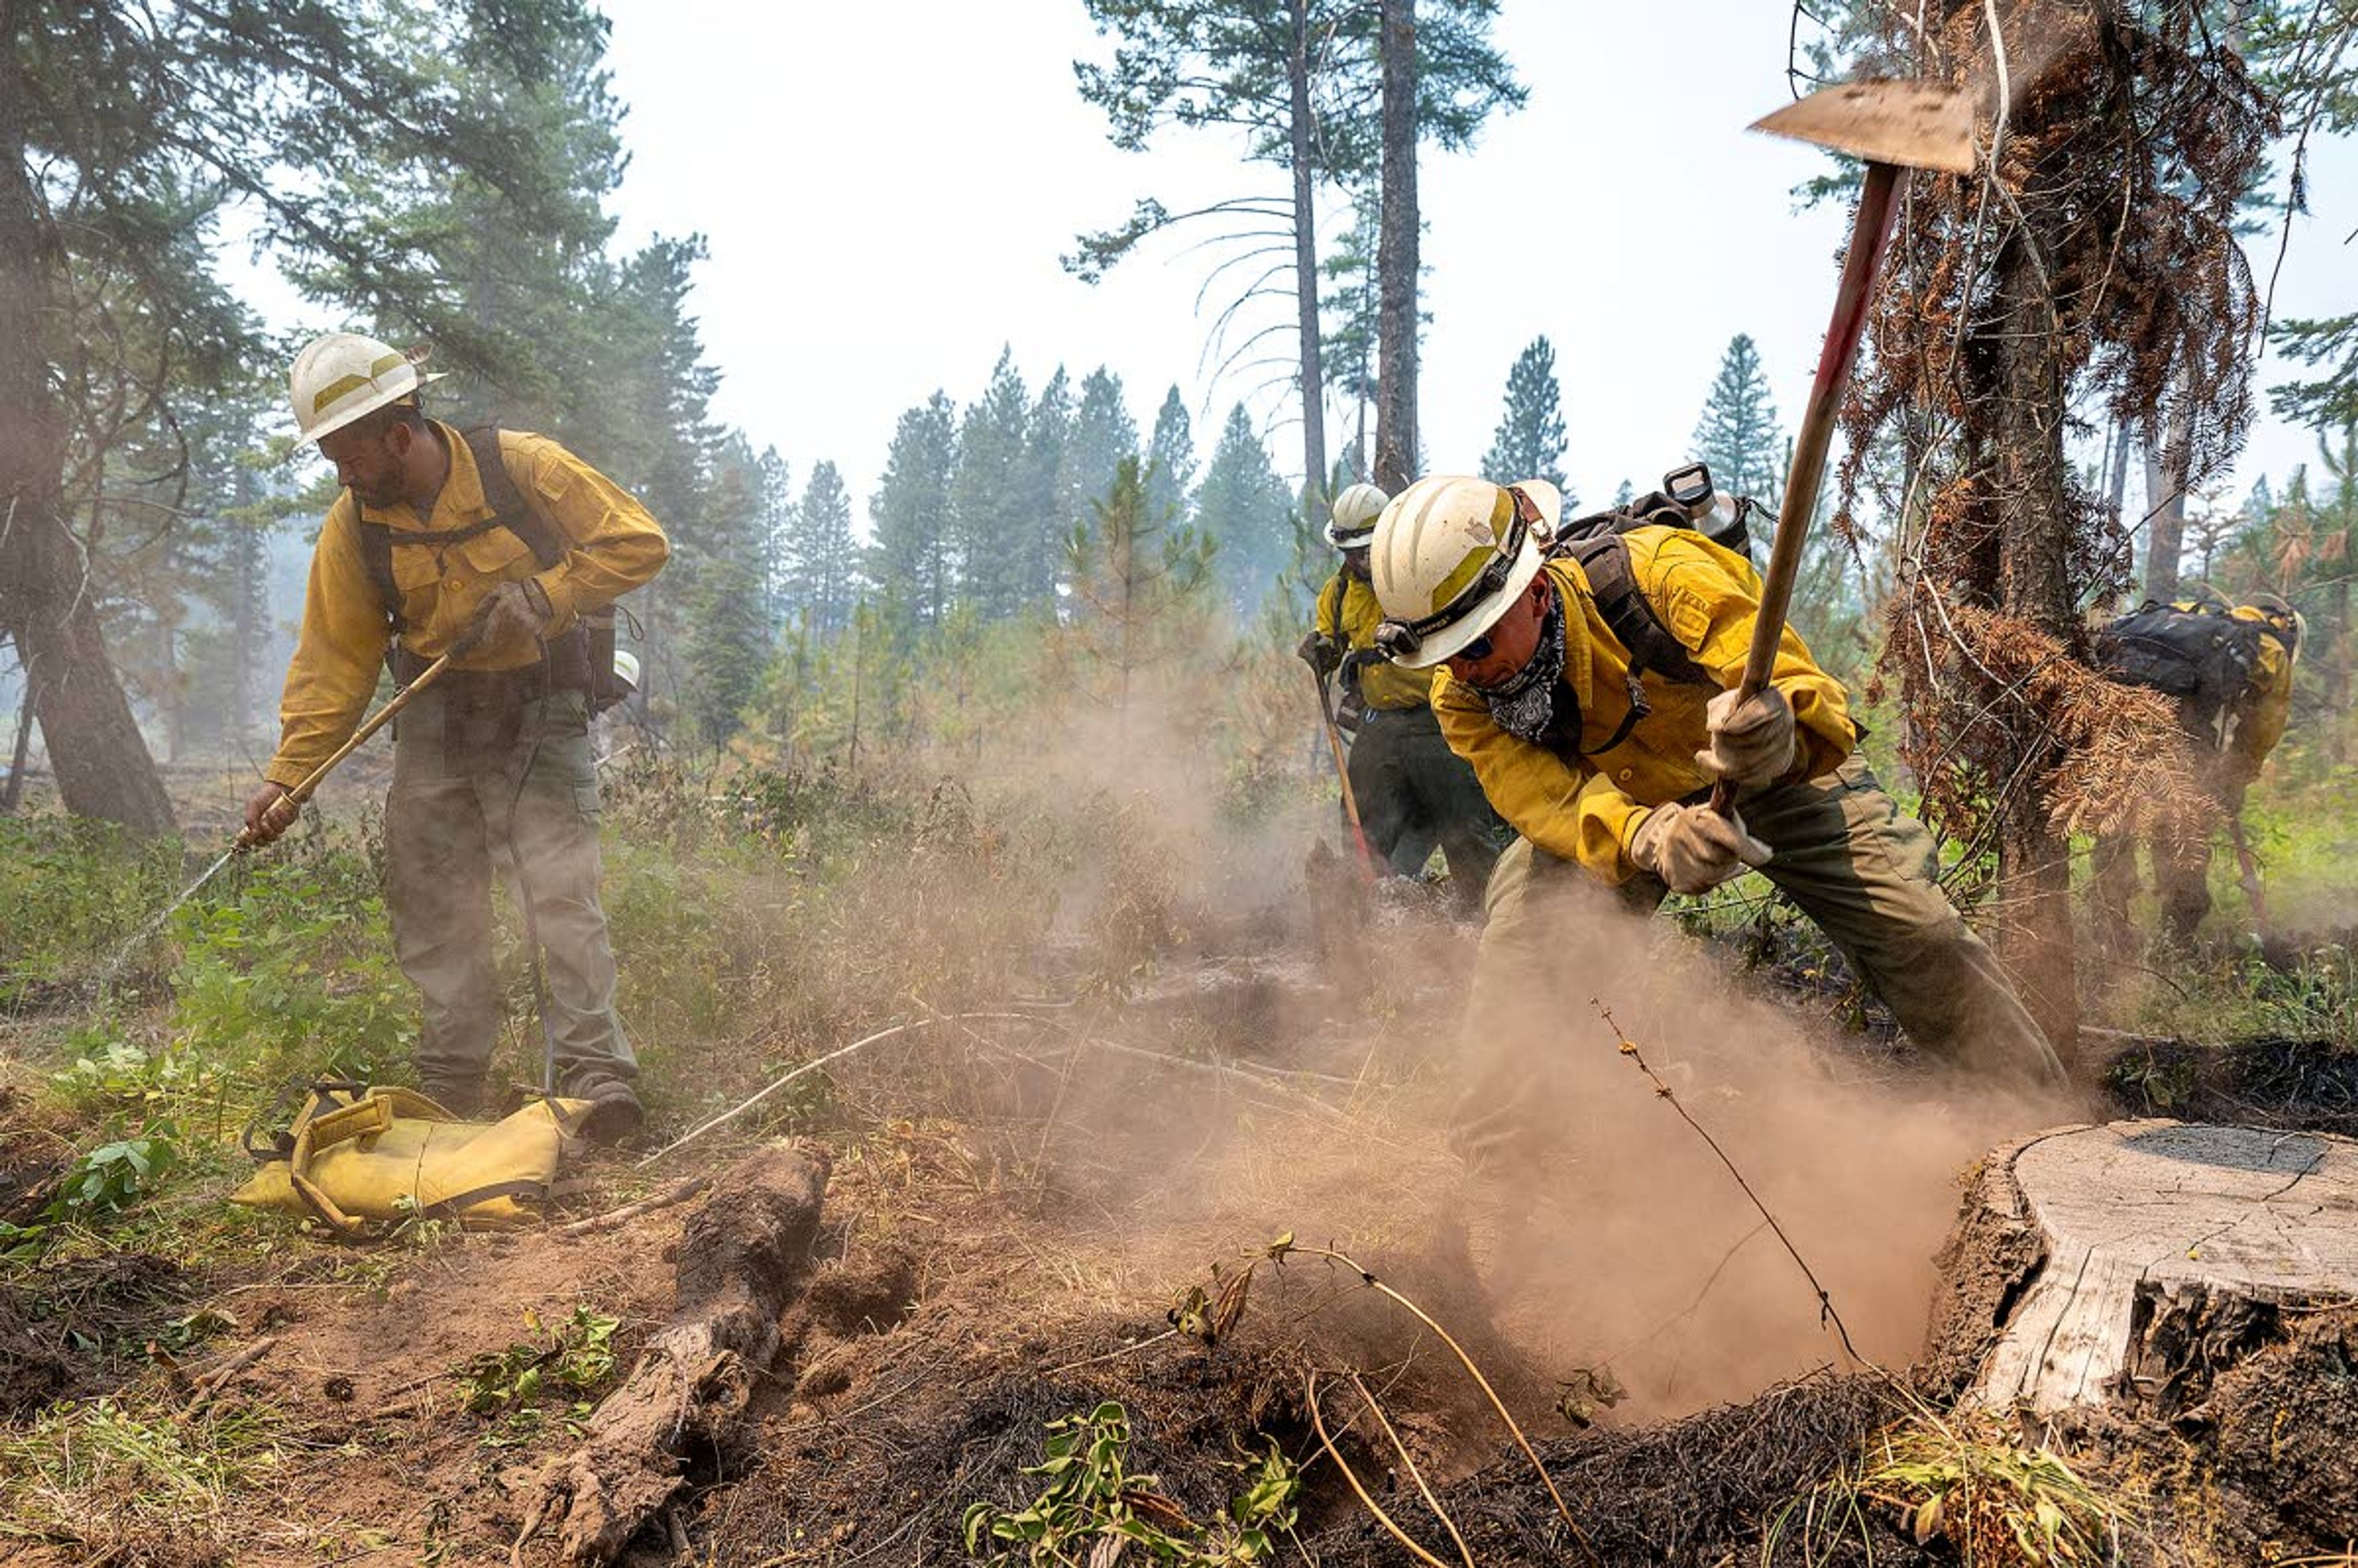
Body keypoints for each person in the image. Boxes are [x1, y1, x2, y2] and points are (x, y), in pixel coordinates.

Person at [1364, 475, 2066, 1171]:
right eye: (1444, 654)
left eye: (1477, 645)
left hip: (1772, 777)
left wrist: (1775, 731)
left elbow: (1799, 686)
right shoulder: (1462, 696)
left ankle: (2038, 1142)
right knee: (1524, 939)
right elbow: (1544, 799)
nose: (1464, 669)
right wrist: (1647, 835)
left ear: (1537, 593)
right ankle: (1501, 1178)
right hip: (1622, 807)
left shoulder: (1664, 571)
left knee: (1920, 930)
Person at [243, 332, 669, 1141]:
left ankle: (596, 1078)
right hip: (436, 715)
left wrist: (546, 595)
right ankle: (452, 1078)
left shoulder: (524, 468)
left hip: (541, 701)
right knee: (435, 895)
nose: (343, 473)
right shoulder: (357, 525)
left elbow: (638, 540)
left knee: (558, 889)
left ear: (397, 435)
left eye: (347, 453)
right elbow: (335, 658)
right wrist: (289, 777)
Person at [1298, 483, 1506, 911]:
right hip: (1380, 725)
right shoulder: (1337, 596)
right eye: (1349, 552)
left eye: (1365, 549)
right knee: (1362, 825)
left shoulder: (1422, 577)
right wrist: (1322, 652)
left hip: (1439, 721)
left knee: (1465, 827)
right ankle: (1369, 915)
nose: (1357, 560)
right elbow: (1332, 642)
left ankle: (1485, 921)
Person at [2090, 586, 2303, 944]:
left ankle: (2108, 932)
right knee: (2182, 830)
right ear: (2287, 628)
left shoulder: (2189, 613)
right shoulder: (2270, 647)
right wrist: (2233, 779)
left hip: (2113, 719)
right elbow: (2263, 729)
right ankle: (2177, 941)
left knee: (2116, 825)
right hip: (2181, 734)